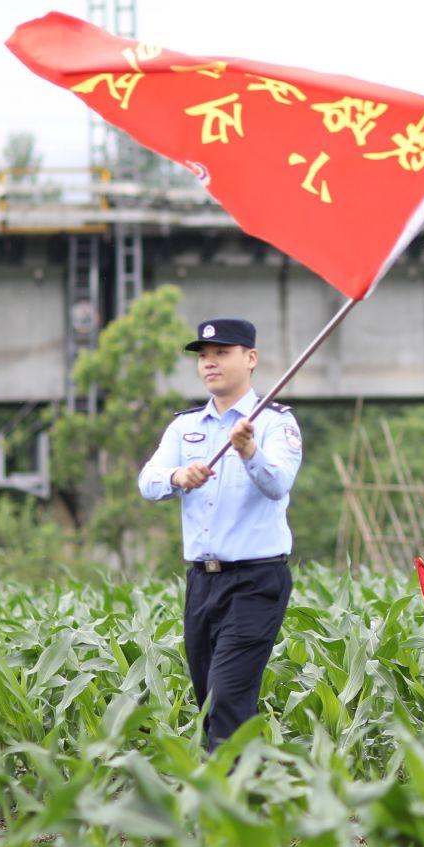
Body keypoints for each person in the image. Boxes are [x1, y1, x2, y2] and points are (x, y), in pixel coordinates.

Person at [137, 318, 302, 750]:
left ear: (250, 359)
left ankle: (221, 804)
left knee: (228, 694)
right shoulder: (184, 427)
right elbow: (148, 481)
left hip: (256, 581)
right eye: (203, 356)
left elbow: (277, 483)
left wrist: (248, 450)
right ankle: (251, 794)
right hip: (202, 582)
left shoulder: (274, 424)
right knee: (212, 701)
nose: (209, 363)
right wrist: (177, 474)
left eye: (221, 353)